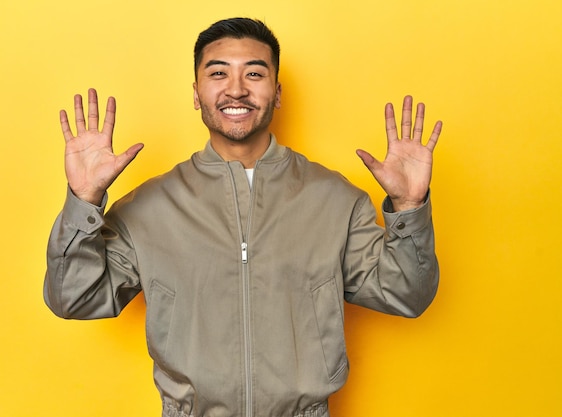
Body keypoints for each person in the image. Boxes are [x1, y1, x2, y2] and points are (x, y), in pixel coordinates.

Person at [44, 17, 442, 417]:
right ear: (197, 93)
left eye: (254, 73)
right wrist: (84, 199)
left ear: (277, 92)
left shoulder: (336, 199)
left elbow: (407, 294)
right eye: (218, 73)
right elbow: (73, 298)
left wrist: (410, 207)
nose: (236, 89)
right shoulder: (149, 207)